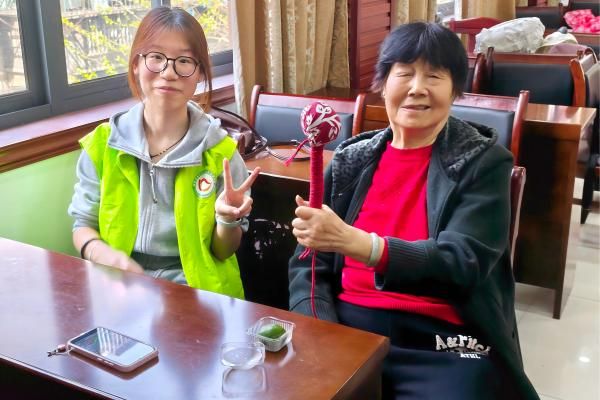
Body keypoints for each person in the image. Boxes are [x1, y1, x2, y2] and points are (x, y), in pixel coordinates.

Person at [288, 22, 539, 399]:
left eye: (434, 76)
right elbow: (308, 265)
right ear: (383, 83)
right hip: (351, 326)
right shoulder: (350, 161)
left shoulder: (482, 162)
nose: (417, 87)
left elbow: (462, 262)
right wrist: (323, 332)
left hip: (443, 340)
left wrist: (361, 245)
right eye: (404, 73)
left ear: (455, 90)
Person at [68, 7, 259, 299]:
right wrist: (106, 256)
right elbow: (83, 226)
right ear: (136, 64)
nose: (168, 72)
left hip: (197, 294)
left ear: (200, 73)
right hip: (120, 289)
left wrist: (226, 219)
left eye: (184, 61)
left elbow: (224, 251)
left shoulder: (221, 154)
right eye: (156, 57)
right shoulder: (102, 145)